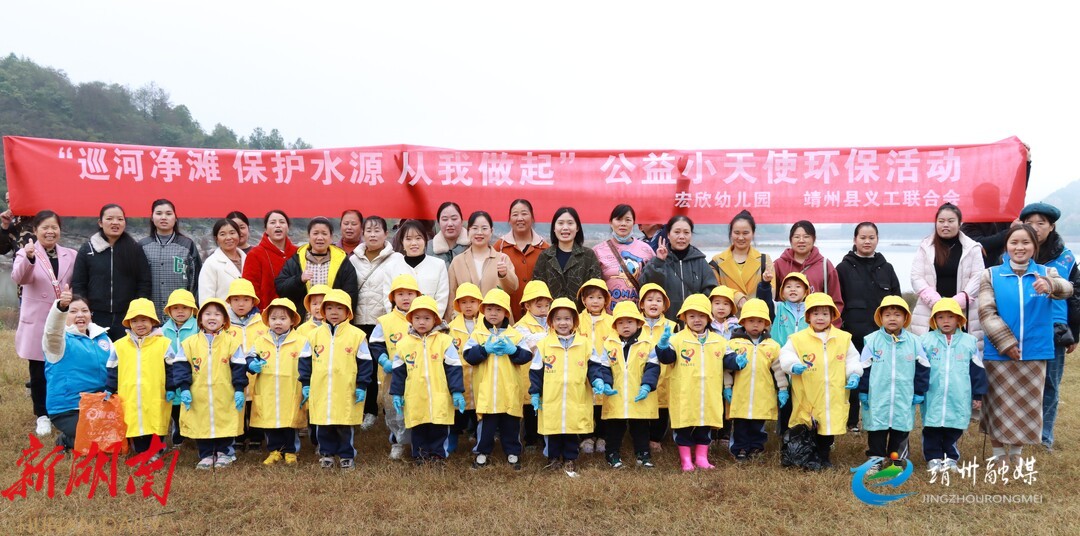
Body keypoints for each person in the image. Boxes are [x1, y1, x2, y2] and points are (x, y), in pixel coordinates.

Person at [979, 224, 1072, 468]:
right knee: (997, 404)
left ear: (1034, 246)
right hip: (999, 352)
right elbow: (986, 312)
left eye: (1025, 242)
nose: (1019, 247)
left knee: (1026, 405)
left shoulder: (1046, 272)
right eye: (1014, 242)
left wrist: (1051, 286)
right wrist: (1006, 343)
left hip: (1035, 350)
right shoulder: (991, 274)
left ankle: (1016, 452)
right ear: (1006, 246)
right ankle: (998, 453)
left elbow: (1067, 289)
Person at [654, 294, 743, 471]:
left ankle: (702, 458)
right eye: (692, 316)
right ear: (684, 317)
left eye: (701, 316)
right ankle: (686, 460)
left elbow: (728, 358)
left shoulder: (718, 340)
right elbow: (666, 358)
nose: (697, 320)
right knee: (684, 426)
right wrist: (662, 346)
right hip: (685, 393)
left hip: (708, 393)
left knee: (704, 425)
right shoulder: (677, 339)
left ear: (708, 318)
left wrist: (737, 361)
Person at [1017, 202, 1080, 450]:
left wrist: (1074, 333)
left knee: (1050, 384)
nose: (1035, 228)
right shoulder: (1014, 253)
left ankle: (1044, 438)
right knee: (1022, 383)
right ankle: (1021, 432)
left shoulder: (1066, 258)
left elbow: (1076, 295)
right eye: (1029, 223)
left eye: (1041, 223)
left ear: (1051, 226)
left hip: (1055, 329)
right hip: (1023, 328)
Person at [778, 293, 862, 469]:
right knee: (808, 424)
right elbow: (785, 354)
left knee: (827, 426)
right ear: (808, 316)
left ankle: (824, 455)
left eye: (825, 314)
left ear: (832, 316)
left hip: (833, 392)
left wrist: (854, 374)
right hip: (808, 392)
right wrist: (793, 365)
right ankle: (809, 455)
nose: (820, 318)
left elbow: (852, 358)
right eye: (815, 313)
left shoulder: (843, 338)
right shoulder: (797, 339)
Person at [12, 210, 77, 436]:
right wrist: (29, 258)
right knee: (39, 372)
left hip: (62, 320)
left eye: (54, 227)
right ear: (36, 230)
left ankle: (62, 410)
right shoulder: (26, 253)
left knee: (63, 368)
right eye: (45, 227)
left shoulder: (71, 254)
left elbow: (76, 284)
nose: (50, 231)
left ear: (60, 230)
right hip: (38, 321)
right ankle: (42, 415)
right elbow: (19, 278)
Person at [836, 221, 902, 432]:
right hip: (852, 334)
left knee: (880, 378)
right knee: (853, 376)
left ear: (877, 239)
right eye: (863, 237)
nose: (867, 241)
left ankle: (877, 419)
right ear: (855, 240)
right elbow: (837, 301)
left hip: (881, 335)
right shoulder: (843, 268)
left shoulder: (887, 268)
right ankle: (851, 421)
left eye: (871, 237)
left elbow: (897, 300)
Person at [298, 289, 373, 469]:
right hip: (321, 388)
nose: (334, 312)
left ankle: (346, 455)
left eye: (339, 308)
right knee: (323, 424)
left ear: (348, 311)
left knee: (344, 424)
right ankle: (327, 454)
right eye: (329, 308)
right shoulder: (313, 335)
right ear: (323, 311)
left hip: (346, 389)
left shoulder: (357, 336)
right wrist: (306, 383)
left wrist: (362, 385)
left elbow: (365, 363)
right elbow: (305, 361)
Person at [170, 298, 248, 469]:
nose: (212, 317)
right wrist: (184, 388)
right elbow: (181, 366)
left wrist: (239, 389)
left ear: (225, 320)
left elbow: (239, 367)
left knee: (224, 421)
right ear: (200, 319)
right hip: (199, 394)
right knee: (201, 423)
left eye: (217, 314)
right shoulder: (189, 343)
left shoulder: (232, 343)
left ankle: (225, 453)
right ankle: (206, 454)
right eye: (207, 314)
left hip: (224, 393)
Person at [856, 296, 929, 472]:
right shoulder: (872, 341)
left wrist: (919, 391)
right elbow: (864, 367)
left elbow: (923, 367)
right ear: (880, 318)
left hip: (903, 395)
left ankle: (897, 461)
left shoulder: (914, 342)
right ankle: (876, 459)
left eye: (897, 315)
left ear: (905, 318)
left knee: (900, 429)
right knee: (877, 428)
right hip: (878, 395)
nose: (892, 319)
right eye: (887, 315)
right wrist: (863, 391)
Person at [390, 296, 466, 463]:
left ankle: (438, 455)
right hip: (415, 396)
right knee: (419, 427)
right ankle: (420, 455)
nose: (421, 322)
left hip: (439, 395)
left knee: (439, 426)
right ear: (411, 319)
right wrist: (397, 393)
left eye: (426, 318)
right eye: (417, 318)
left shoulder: (445, 341)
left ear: (435, 320)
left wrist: (457, 391)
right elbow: (399, 372)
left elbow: (454, 368)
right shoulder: (404, 344)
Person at [462, 288, 532, 469]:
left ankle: (513, 453)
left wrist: (514, 351)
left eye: (498, 309)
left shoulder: (514, 335)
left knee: (511, 424)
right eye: (490, 309)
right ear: (483, 310)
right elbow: (468, 356)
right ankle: (482, 452)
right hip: (487, 392)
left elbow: (526, 356)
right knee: (486, 425)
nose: (493, 313)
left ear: (506, 312)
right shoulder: (478, 334)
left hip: (509, 390)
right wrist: (484, 349)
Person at [529, 298, 599, 478]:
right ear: (551, 321)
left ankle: (570, 458)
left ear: (574, 321)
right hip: (552, 397)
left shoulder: (585, 344)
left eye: (567, 318)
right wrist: (535, 392)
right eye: (558, 319)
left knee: (571, 430)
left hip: (575, 396)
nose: (563, 323)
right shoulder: (544, 345)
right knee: (552, 430)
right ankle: (553, 458)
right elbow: (536, 370)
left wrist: (598, 381)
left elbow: (594, 366)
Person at [589, 301, 661, 469]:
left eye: (629, 322)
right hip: (617, 395)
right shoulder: (609, 344)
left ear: (638, 323)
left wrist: (647, 386)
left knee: (640, 427)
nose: (625, 326)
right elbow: (604, 367)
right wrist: (606, 384)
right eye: (620, 323)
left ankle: (643, 454)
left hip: (639, 394)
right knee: (614, 428)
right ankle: (612, 454)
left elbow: (652, 367)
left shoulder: (648, 343)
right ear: (615, 326)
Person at [921, 298, 987, 473]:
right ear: (934, 320)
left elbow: (977, 369)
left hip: (958, 394)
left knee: (954, 427)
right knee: (932, 427)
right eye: (941, 317)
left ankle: (950, 458)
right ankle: (933, 457)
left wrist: (978, 394)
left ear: (959, 319)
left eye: (951, 317)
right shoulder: (926, 341)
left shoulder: (969, 342)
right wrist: (919, 390)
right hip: (933, 393)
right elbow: (920, 368)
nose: (946, 321)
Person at [41, 290, 111, 451]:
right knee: (96, 443)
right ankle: (66, 440)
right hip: (69, 408)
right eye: (73, 311)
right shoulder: (58, 343)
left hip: (100, 404)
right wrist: (61, 307)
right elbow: (52, 332)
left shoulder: (103, 338)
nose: (80, 315)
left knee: (119, 435)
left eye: (84, 310)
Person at [72, 204, 152, 340]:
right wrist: (84, 311)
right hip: (96, 316)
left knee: (124, 353)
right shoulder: (88, 249)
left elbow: (144, 282)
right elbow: (79, 284)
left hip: (127, 317)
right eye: (109, 219)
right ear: (100, 222)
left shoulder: (134, 249)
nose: (115, 223)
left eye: (120, 219)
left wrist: (137, 310)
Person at [910, 204, 985, 345]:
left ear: (959, 223)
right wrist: (938, 303)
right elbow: (916, 277)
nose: (945, 225)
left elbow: (978, 277)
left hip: (964, 313)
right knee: (928, 353)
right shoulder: (925, 247)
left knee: (963, 353)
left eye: (951, 221)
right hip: (930, 311)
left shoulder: (972, 248)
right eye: (941, 221)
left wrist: (956, 303)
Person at [247, 297, 309, 466]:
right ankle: (274, 451)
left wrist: (306, 384)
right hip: (267, 390)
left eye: (283, 318)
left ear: (292, 320)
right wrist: (252, 364)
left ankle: (290, 451)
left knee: (289, 422)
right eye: (273, 318)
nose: (278, 322)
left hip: (290, 389)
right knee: (270, 422)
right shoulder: (261, 341)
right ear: (268, 320)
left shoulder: (301, 341)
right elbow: (250, 357)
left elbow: (306, 364)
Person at [724, 298, 787, 461]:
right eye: (751, 321)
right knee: (741, 423)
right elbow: (727, 369)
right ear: (743, 322)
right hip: (741, 393)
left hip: (762, 393)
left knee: (758, 423)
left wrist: (783, 389)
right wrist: (727, 387)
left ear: (766, 323)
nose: (755, 325)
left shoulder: (772, 346)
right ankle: (740, 448)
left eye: (760, 321)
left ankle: (756, 447)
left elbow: (779, 370)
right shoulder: (734, 343)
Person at [106, 298, 171, 454]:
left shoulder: (164, 344)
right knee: (134, 423)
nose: (139, 324)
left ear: (152, 321)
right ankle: (142, 451)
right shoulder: (119, 345)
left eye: (143, 320)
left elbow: (172, 368)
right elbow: (113, 369)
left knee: (155, 422)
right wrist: (109, 388)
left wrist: (171, 387)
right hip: (130, 395)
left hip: (155, 393)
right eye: (134, 321)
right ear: (129, 323)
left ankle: (156, 450)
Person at [370, 275, 422, 458]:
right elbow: (376, 344)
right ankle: (397, 441)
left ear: (417, 295)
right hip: (394, 375)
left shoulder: (423, 317)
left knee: (417, 408)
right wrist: (384, 360)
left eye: (410, 293)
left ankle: (418, 442)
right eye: (400, 294)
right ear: (393, 297)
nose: (405, 298)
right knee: (395, 410)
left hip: (419, 375)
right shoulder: (385, 321)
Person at [276, 217, 359, 319]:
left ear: (331, 237)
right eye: (315, 233)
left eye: (324, 234)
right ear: (309, 236)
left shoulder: (342, 262)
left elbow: (350, 295)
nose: (320, 238)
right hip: (304, 322)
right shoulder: (296, 260)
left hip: (332, 323)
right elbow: (281, 289)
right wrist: (299, 280)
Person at [642, 215, 718, 321]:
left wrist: (697, 308)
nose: (681, 236)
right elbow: (645, 287)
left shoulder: (700, 261)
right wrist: (659, 262)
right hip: (664, 324)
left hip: (693, 324)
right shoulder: (658, 260)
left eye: (686, 232)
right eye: (677, 232)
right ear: (668, 235)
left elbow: (712, 290)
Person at [447, 211, 519, 319]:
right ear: (468, 231)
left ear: (491, 231)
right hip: (467, 323)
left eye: (484, 228)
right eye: (475, 228)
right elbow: (451, 296)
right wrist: (453, 321)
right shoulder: (457, 262)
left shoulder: (502, 259)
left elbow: (513, 288)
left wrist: (505, 274)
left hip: (497, 323)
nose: (479, 232)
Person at [140, 199, 202, 317]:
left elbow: (195, 282)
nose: (163, 217)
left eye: (168, 214)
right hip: (150, 315)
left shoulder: (187, 245)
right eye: (159, 213)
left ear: (175, 218)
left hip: (181, 314)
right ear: (152, 218)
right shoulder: (143, 246)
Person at [773, 220, 843, 322]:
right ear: (790, 240)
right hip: (786, 325)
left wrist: (830, 326)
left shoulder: (825, 265)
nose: (801, 240)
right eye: (797, 237)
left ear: (814, 239)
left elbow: (836, 301)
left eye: (806, 236)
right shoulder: (778, 265)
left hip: (816, 326)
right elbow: (772, 300)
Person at [531, 206, 602, 301]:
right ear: (554, 228)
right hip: (551, 310)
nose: (565, 227)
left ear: (577, 228)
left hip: (580, 311)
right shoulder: (545, 256)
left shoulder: (588, 256)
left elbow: (597, 289)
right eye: (560, 223)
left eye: (570, 223)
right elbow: (536, 290)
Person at [593, 205, 655, 311]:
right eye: (619, 219)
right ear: (611, 222)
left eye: (628, 220)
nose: (623, 224)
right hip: (608, 314)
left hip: (637, 314)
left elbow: (654, 282)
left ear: (633, 223)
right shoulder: (598, 251)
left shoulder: (646, 250)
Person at [710, 210, 775, 310]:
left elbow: (772, 294)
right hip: (727, 318)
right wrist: (736, 296)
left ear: (753, 233)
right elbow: (714, 291)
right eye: (737, 233)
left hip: (756, 316)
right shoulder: (717, 261)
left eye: (745, 233)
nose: (740, 238)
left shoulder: (764, 260)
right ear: (731, 233)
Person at [494, 199, 549, 317]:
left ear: (532, 218)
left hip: (538, 317)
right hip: (506, 314)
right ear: (509, 220)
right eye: (515, 215)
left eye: (524, 214)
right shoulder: (500, 247)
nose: (520, 218)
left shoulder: (544, 248)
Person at [638, 283, 676, 452]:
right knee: (641, 406)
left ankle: (656, 438)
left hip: (664, 375)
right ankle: (641, 438)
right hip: (640, 372)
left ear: (664, 305)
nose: (654, 303)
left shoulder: (672, 326)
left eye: (659, 300)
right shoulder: (635, 324)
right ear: (641, 304)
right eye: (649, 300)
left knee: (662, 408)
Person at [347, 215, 402, 329]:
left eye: (377, 231)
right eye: (368, 231)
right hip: (357, 322)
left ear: (386, 234)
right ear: (363, 234)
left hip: (384, 322)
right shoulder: (353, 260)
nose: (372, 235)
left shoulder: (396, 259)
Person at [447, 282, 483, 454]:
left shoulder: (485, 326)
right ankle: (452, 441)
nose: (468, 306)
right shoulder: (451, 328)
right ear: (458, 305)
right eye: (464, 302)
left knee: (480, 412)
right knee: (456, 415)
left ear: (479, 303)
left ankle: (479, 441)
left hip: (480, 377)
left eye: (472, 302)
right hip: (460, 377)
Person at [160, 289, 199, 448]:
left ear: (192, 310)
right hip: (171, 372)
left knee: (194, 403)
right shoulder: (163, 330)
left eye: (185, 307)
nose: (180, 311)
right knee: (175, 406)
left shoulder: (198, 327)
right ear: (169, 311)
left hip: (193, 371)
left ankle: (196, 432)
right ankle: (179, 432)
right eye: (175, 308)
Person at [389, 219, 450, 317]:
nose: (414, 243)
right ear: (402, 242)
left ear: (425, 240)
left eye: (418, 238)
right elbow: (388, 300)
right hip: (398, 323)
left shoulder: (439, 265)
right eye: (408, 239)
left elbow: (442, 299)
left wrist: (430, 321)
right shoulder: (391, 267)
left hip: (430, 322)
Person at [242, 210, 299, 307]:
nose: (278, 225)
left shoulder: (298, 252)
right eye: (273, 222)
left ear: (288, 227)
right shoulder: (255, 254)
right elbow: (250, 290)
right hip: (266, 313)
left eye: (282, 222)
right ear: (266, 229)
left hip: (296, 312)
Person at [199, 219, 246, 306]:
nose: (228, 238)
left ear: (239, 235)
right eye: (222, 234)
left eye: (232, 233)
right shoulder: (211, 264)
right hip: (223, 314)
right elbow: (206, 300)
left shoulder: (248, 259)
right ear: (216, 239)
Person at [428, 201, 470, 266]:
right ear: (438, 223)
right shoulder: (428, 247)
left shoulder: (473, 244)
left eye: (454, 219)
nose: (450, 224)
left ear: (461, 221)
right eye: (445, 219)